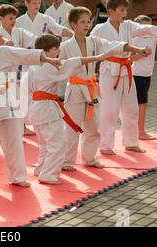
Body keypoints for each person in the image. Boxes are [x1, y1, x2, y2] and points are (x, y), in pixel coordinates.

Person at [0, 19, 61, 188]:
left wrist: (49, 60)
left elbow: (25, 55)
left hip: (6, 100)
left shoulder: (3, 52)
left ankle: (18, 176)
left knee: (13, 141)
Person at [61, 7, 149, 171]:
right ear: (73, 25)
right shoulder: (65, 46)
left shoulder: (94, 41)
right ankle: (67, 161)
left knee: (93, 127)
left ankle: (90, 158)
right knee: (73, 127)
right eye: (83, 22)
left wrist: (137, 50)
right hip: (74, 89)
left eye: (88, 21)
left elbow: (114, 45)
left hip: (91, 88)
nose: (87, 25)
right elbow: (58, 66)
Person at [90, 0, 157, 155]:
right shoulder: (100, 29)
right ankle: (106, 145)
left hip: (127, 70)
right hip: (108, 72)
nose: (125, 13)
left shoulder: (128, 26)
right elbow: (90, 45)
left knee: (131, 108)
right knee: (109, 110)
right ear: (111, 11)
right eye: (122, 10)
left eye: (126, 9)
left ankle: (131, 142)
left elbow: (145, 29)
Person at [27, 34, 111, 184]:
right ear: (49, 50)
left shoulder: (33, 66)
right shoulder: (49, 66)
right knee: (58, 143)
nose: (58, 51)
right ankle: (48, 174)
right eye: (56, 49)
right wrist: (96, 58)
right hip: (47, 108)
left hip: (36, 107)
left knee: (45, 143)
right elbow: (72, 63)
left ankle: (41, 169)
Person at [0, 4, 37, 136]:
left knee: (20, 103)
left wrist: (45, 43)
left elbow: (34, 39)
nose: (13, 21)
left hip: (19, 73)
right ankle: (7, 132)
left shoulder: (19, 32)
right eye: (10, 18)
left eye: (14, 18)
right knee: (6, 106)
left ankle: (19, 130)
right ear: (1, 19)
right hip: (2, 76)